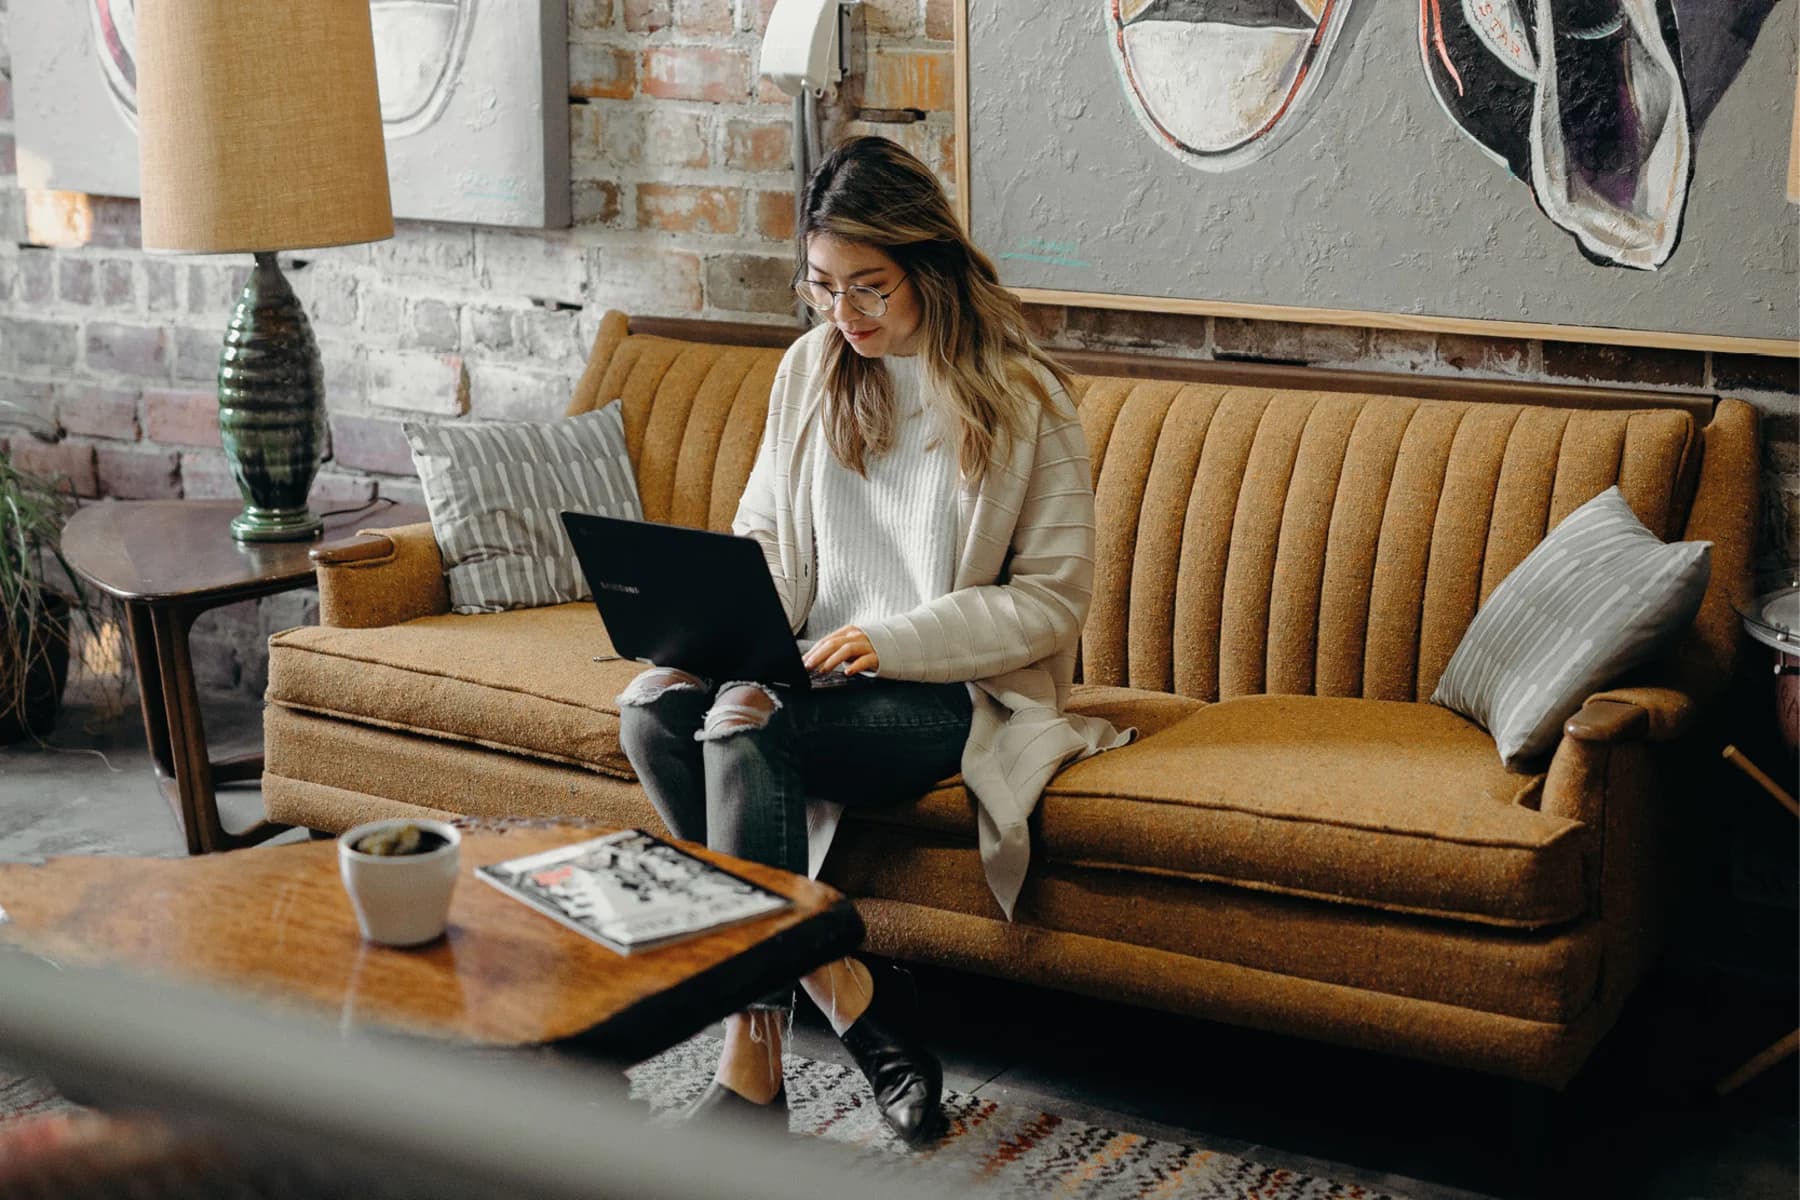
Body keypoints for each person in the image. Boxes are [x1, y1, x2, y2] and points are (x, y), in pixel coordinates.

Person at [616, 135, 1132, 1143]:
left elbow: (1053, 601)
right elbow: (764, 534)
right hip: (806, 665)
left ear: (928, 268)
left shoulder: (1025, 398)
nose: (842, 316)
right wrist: (718, 627)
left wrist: (888, 641)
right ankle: (850, 985)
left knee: (742, 726)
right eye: (821, 287)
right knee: (655, 708)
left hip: (946, 691)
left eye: (868, 289)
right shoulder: (812, 369)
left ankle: (750, 1070)